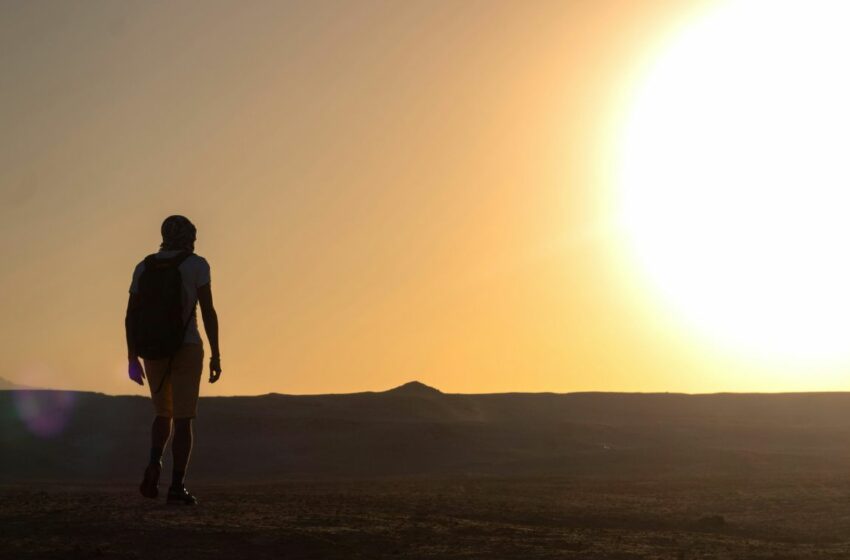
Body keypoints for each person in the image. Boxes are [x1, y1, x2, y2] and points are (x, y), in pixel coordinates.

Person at [124, 215, 221, 505]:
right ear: (189, 237)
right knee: (183, 419)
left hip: (154, 350)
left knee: (161, 414)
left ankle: (155, 462)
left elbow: (130, 315)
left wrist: (131, 356)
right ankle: (177, 487)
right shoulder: (197, 264)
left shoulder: (144, 267)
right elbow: (207, 311)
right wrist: (216, 354)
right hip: (187, 347)